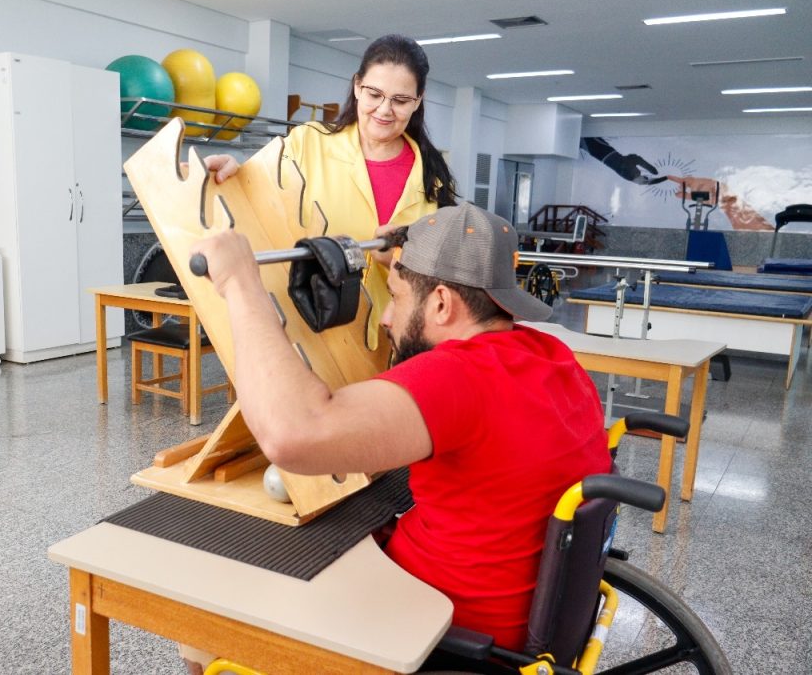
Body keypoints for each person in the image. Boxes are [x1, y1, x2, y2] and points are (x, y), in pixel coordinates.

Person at [186, 202, 612, 670]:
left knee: (199, 627)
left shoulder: (459, 378)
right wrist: (406, 264)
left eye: (397, 296)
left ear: (442, 304)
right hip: (516, 620)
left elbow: (293, 435)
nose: (387, 318)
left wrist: (239, 283)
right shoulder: (549, 354)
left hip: (437, 634)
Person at [204, 34, 457, 351]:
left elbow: (442, 277)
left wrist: (394, 259)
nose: (384, 109)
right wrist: (234, 172)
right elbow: (257, 194)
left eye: (400, 100)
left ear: (418, 101)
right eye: (374, 94)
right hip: (312, 336)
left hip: (397, 342)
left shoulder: (433, 177)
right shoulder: (307, 144)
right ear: (357, 86)